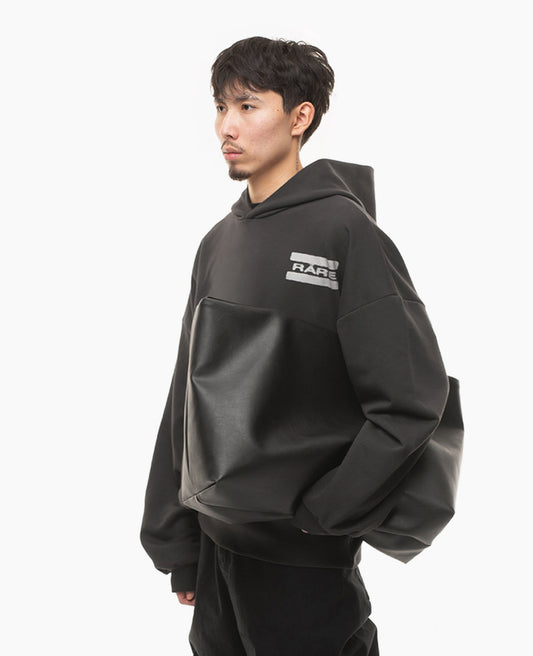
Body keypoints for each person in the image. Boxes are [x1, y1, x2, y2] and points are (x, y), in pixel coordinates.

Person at [140, 36, 452, 656]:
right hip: (216, 558)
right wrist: (178, 543)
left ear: (299, 117)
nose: (227, 127)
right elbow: (186, 398)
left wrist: (324, 513)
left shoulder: (346, 233)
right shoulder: (217, 242)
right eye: (220, 107)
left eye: (248, 106)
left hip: (302, 568)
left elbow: (412, 400)